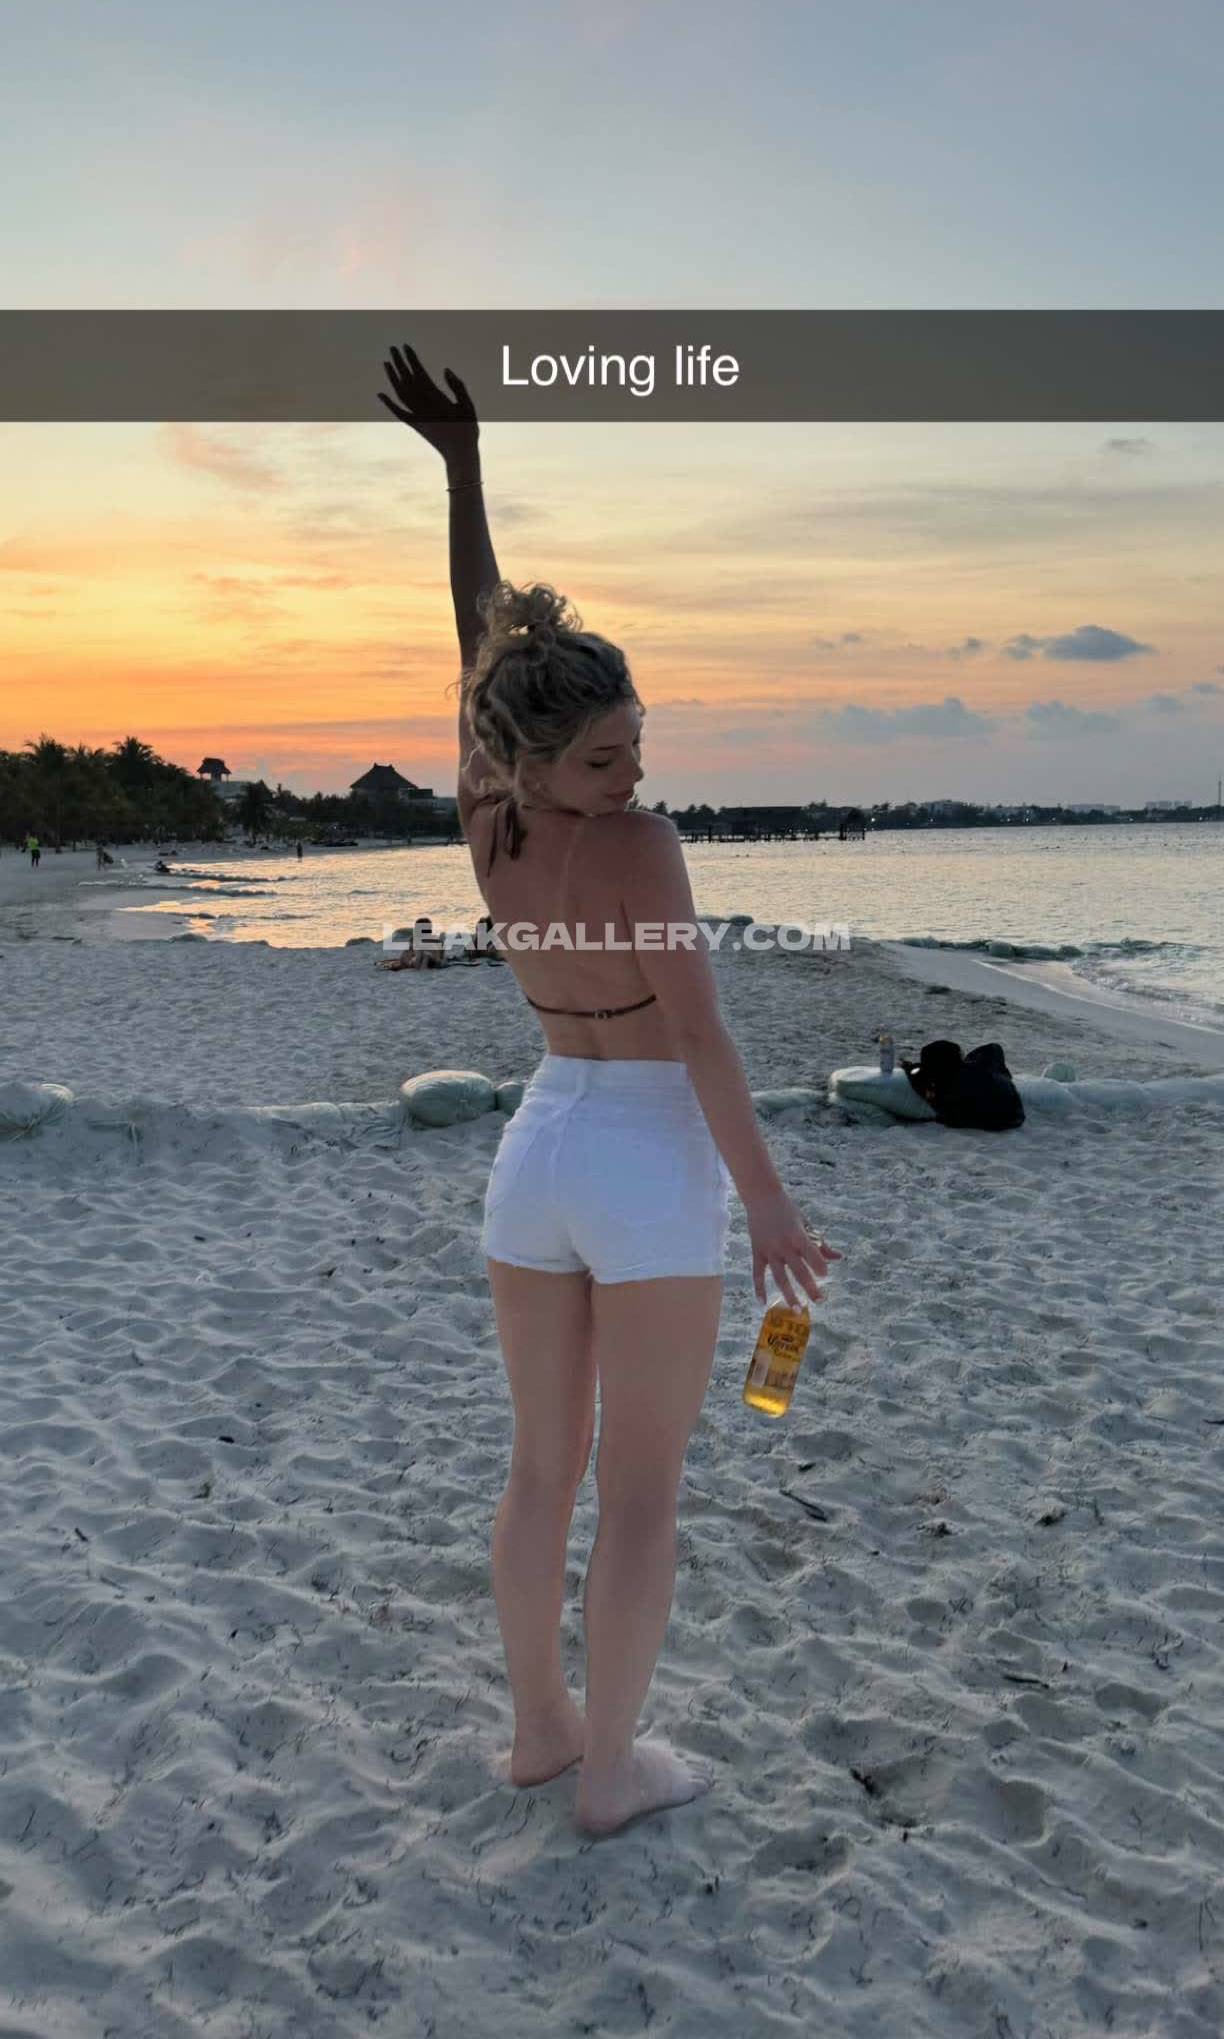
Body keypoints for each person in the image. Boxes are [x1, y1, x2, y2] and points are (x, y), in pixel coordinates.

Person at [379, 342, 840, 1838]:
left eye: (637, 746)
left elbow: (480, 639)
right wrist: (770, 1208)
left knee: (540, 1472)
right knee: (637, 1493)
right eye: (600, 756)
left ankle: (540, 1730)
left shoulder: (486, 812)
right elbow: (703, 1042)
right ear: (531, 757)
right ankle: (606, 1769)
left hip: (539, 1153)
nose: (631, 776)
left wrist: (461, 467)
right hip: (643, 1163)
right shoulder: (638, 851)